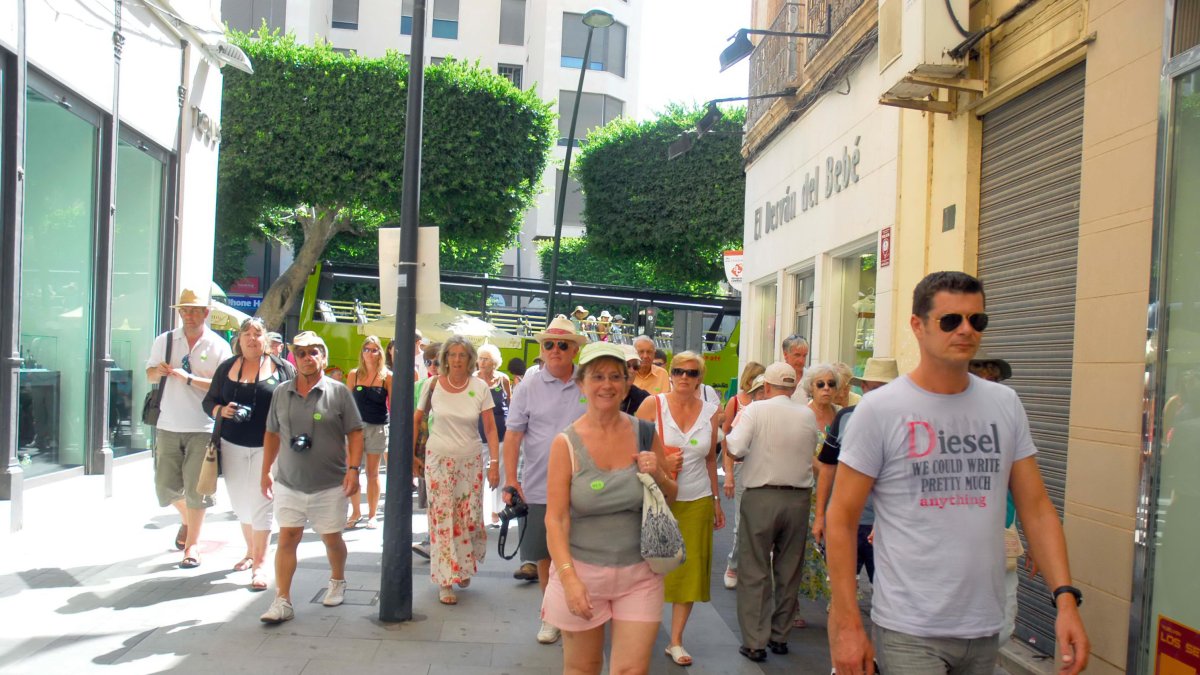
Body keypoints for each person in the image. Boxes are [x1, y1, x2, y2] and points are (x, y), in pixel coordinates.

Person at [827, 271, 1089, 675]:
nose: (966, 330)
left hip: (985, 625)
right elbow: (841, 518)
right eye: (950, 320)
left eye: (976, 320)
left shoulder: (1004, 403)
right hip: (909, 627)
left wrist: (1066, 599)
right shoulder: (881, 411)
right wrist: (846, 623)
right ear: (918, 325)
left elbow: (1036, 507)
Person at [542, 342, 677, 675]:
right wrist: (569, 579)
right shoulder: (566, 443)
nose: (607, 385)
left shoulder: (644, 432)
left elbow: (671, 497)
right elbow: (556, 519)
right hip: (582, 573)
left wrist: (657, 472)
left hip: (640, 574)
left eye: (616, 376)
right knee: (582, 669)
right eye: (598, 376)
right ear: (581, 384)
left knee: (631, 671)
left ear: (627, 384)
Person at [259, 331, 364, 624]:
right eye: (301, 353)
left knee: (331, 539)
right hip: (289, 481)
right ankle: (282, 600)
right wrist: (266, 470)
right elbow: (271, 433)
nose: (307, 358)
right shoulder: (281, 391)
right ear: (295, 357)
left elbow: (355, 433)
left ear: (323, 357)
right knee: (287, 538)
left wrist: (354, 470)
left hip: (330, 483)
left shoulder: (339, 392)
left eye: (313, 352)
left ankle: (337, 579)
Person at [502, 315, 589, 643]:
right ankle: (550, 615)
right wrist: (512, 480)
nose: (555, 350)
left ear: (573, 350)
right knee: (544, 555)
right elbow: (512, 437)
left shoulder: (586, 382)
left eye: (562, 345)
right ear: (541, 348)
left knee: (580, 552)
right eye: (549, 344)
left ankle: (576, 610)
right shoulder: (528, 386)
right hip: (539, 485)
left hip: (584, 486)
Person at [725, 362, 818, 662]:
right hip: (798, 498)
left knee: (755, 570)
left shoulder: (756, 410)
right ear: (792, 388)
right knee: (789, 569)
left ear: (766, 387)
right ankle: (780, 635)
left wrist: (725, 437)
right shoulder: (807, 414)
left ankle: (755, 640)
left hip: (762, 495)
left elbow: (735, 448)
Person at [635, 351, 723, 666]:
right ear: (670, 373)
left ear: (701, 378)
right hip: (658, 498)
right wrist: (661, 462)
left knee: (689, 570)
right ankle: (639, 632)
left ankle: (676, 640)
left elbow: (711, 457)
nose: (684, 377)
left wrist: (716, 499)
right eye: (678, 371)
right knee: (649, 567)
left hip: (697, 498)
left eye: (692, 373)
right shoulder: (652, 404)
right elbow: (632, 448)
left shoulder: (712, 411)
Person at [202, 317, 296, 589]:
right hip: (232, 443)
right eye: (247, 334)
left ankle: (261, 565)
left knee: (262, 501)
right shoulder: (226, 368)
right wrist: (221, 411)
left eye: (257, 334)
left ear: (265, 339)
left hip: (269, 446)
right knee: (240, 503)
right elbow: (209, 402)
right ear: (239, 340)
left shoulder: (282, 368)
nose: (252, 339)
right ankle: (251, 551)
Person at [145, 288, 233, 569]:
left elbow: (223, 388)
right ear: (179, 313)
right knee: (165, 488)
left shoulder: (218, 346)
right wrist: (157, 371)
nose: (189, 315)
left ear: (206, 313)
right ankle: (188, 520)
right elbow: (148, 374)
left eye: (195, 310)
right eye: (185, 310)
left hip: (203, 426)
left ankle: (193, 546)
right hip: (167, 423)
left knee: (198, 489)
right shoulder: (166, 340)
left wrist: (188, 379)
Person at [413, 336, 500, 605]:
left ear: (470, 359)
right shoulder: (432, 384)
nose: (457, 359)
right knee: (441, 517)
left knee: (468, 516)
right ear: (445, 358)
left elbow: (491, 427)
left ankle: (462, 565)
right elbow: (416, 420)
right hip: (438, 459)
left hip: (470, 460)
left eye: (462, 355)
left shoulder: (479, 387)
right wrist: (410, 456)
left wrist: (494, 464)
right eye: (452, 354)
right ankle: (445, 579)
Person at [811, 358, 899, 596]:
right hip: (846, 521)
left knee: (888, 594)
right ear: (864, 387)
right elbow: (827, 468)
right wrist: (820, 516)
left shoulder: (907, 421)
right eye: (871, 387)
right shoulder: (846, 417)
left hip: (889, 524)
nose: (875, 394)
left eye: (883, 388)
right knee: (841, 592)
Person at [968, 350, 1033, 649]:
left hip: (1002, 537)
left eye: (993, 380)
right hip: (954, 545)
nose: (988, 385)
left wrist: (1034, 542)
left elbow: (1029, 492)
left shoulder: (1009, 421)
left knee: (1003, 627)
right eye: (979, 378)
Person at [720, 361, 766, 589]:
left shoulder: (770, 410)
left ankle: (754, 570)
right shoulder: (738, 404)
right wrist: (728, 473)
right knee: (741, 523)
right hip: (741, 465)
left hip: (766, 470)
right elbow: (727, 437)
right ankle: (734, 564)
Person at [345, 335, 392, 529]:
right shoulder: (354, 374)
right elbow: (346, 402)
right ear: (361, 352)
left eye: (374, 350)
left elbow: (394, 404)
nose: (370, 353)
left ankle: (372, 514)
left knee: (373, 473)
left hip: (377, 427)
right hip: (355, 428)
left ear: (380, 352)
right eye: (366, 349)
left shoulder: (387, 376)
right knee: (353, 470)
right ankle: (355, 512)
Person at [411, 342, 442, 560]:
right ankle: (433, 539)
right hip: (425, 448)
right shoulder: (420, 386)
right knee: (429, 498)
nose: (432, 365)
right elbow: (414, 419)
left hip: (447, 449)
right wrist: (412, 453)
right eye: (427, 361)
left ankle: (436, 541)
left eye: (437, 361)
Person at [475, 343, 511, 528]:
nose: (481, 362)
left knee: (500, 474)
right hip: (479, 435)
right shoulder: (473, 380)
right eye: (480, 358)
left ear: (494, 362)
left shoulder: (503, 379)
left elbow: (509, 403)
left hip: (502, 434)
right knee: (478, 475)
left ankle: (497, 511)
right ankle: (477, 514)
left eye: (485, 359)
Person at [620, 344, 650, 415]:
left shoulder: (643, 398)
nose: (632, 370)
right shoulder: (602, 394)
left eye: (636, 366)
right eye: (627, 365)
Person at [782, 334, 809, 402]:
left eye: (804, 356)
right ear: (785, 354)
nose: (801, 360)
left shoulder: (811, 379)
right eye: (797, 355)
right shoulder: (775, 377)